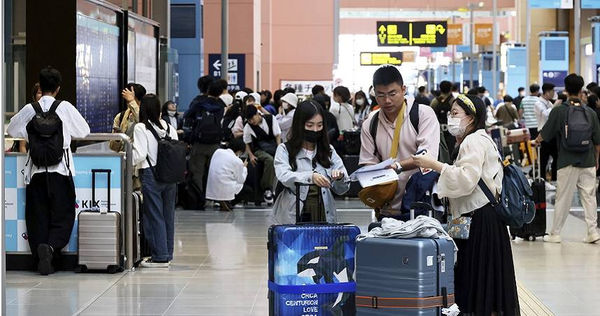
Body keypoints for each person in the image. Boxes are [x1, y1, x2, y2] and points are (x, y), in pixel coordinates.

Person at [412, 94, 520, 316]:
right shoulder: (479, 138)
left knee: (476, 276)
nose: (451, 118)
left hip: (478, 220)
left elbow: (466, 178)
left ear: (471, 118)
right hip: (483, 218)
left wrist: (435, 165)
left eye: (455, 114)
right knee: (485, 278)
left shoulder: (473, 141)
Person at [7, 66, 90, 275]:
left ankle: (41, 255)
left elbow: (11, 129)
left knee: (37, 217)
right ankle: (51, 248)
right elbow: (84, 130)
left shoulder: (30, 109)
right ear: (58, 88)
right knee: (63, 216)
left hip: (35, 172)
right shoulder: (65, 108)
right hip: (61, 171)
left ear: (40, 86)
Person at [359, 65, 440, 218]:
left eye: (392, 93)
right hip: (386, 207)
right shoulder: (370, 122)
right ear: (374, 94)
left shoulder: (422, 114)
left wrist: (397, 166)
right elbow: (367, 161)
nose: (387, 100)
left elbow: (427, 156)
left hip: (420, 206)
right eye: (381, 95)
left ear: (403, 89)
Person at [536, 74, 600, 244]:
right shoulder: (590, 112)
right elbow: (597, 141)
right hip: (588, 161)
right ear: (581, 90)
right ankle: (593, 232)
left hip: (566, 161)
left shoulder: (560, 110)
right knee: (589, 197)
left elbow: (546, 133)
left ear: (565, 88)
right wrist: (596, 159)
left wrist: (535, 141)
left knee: (563, 197)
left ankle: (555, 234)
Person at [272, 100, 349, 224]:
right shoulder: (285, 149)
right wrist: (310, 177)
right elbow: (283, 175)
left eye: (319, 125)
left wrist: (339, 178)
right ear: (299, 124)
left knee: (323, 243)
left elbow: (343, 188)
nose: (315, 130)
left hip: (324, 214)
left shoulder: (328, 150)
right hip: (293, 214)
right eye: (309, 125)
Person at [132, 94, 179, 268]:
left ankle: (159, 256)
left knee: (154, 215)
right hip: (170, 175)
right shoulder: (168, 127)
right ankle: (167, 252)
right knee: (168, 216)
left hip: (151, 175)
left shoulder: (140, 128)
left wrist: (126, 159)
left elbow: (140, 155)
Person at [183, 80, 227, 210]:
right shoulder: (221, 105)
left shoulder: (199, 103)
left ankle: (198, 199)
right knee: (215, 172)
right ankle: (215, 199)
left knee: (197, 172)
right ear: (221, 92)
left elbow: (187, 116)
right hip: (215, 144)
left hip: (199, 143)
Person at [243, 105, 281, 204]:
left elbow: (277, 135)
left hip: (272, 147)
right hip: (258, 150)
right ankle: (267, 188)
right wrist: (250, 155)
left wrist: (279, 150)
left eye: (252, 118)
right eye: (249, 120)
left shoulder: (271, 119)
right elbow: (247, 143)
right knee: (269, 160)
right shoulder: (248, 126)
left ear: (257, 114)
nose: (251, 121)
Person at [206, 137, 250, 212]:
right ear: (239, 151)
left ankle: (223, 201)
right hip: (224, 186)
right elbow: (241, 179)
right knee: (248, 190)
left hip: (212, 186)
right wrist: (244, 168)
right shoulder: (237, 160)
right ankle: (229, 202)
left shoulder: (218, 151)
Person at [110, 83, 146, 151]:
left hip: (139, 158)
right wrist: (117, 139)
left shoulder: (148, 115)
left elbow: (142, 122)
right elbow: (113, 148)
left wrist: (132, 101)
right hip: (124, 158)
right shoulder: (120, 117)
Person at [535, 83, 558, 185]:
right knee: (543, 159)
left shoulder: (549, 103)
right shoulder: (538, 103)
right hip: (543, 134)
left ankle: (554, 179)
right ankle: (543, 182)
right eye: (553, 91)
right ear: (547, 92)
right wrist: (556, 105)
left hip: (552, 134)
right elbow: (546, 115)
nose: (554, 94)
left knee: (556, 157)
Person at [430, 80, 456, 152]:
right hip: (450, 131)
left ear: (440, 88)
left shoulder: (435, 101)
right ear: (450, 89)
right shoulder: (453, 101)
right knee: (450, 150)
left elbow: (430, 115)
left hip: (437, 131)